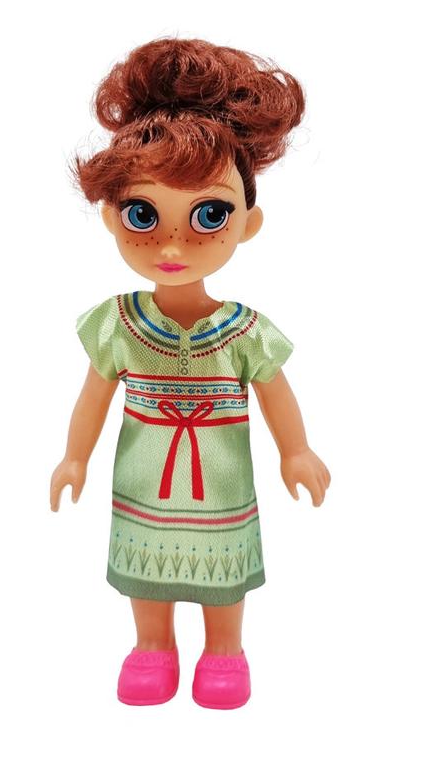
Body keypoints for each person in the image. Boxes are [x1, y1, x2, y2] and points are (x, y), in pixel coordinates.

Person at [50, 36, 331, 709]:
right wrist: (73, 457)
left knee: (222, 568)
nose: (172, 244)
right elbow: (94, 396)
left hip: (221, 486)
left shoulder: (244, 331)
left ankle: (225, 650)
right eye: (143, 215)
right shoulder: (119, 325)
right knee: (145, 566)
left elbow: (275, 393)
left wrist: (296, 450)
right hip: (143, 481)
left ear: (248, 223)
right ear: (111, 216)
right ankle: (152, 645)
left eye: (209, 215)